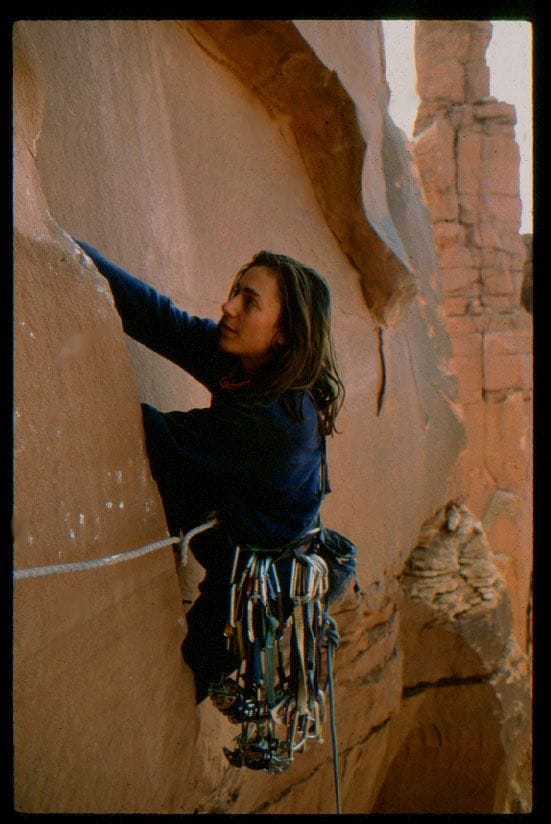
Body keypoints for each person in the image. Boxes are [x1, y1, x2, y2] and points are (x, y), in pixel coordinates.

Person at [73, 239, 345, 703]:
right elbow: (163, 322)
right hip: (241, 510)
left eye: (249, 301)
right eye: (236, 291)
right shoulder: (252, 362)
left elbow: (156, 435)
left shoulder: (278, 422)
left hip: (257, 574)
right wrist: (78, 256)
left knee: (192, 669)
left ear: (283, 333)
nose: (229, 306)